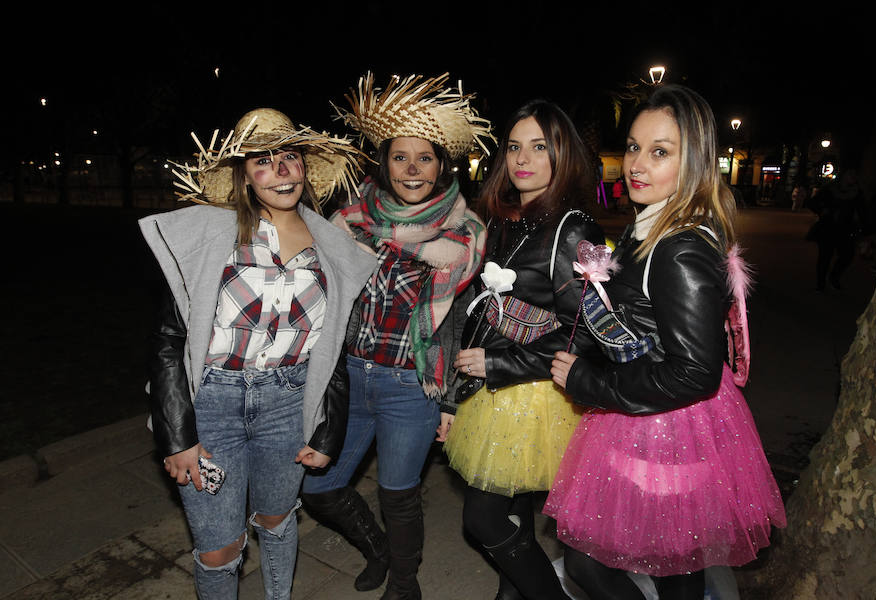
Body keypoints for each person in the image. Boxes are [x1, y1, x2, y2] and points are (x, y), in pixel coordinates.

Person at [543, 85, 786, 600]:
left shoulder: (678, 248)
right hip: (650, 415)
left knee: (601, 564)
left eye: (660, 152)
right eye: (633, 147)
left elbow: (693, 372)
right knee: (675, 562)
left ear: (693, 161)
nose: (637, 164)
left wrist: (589, 380)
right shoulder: (650, 227)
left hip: (667, 426)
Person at [140, 108, 378, 600]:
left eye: (289, 157)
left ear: (305, 167)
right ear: (244, 176)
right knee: (218, 550)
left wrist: (328, 428)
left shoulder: (333, 247)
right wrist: (176, 433)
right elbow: (169, 342)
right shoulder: (207, 236)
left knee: (276, 520)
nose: (281, 171)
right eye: (263, 162)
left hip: (289, 403)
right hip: (211, 406)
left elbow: (332, 348)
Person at [298, 73, 491, 600]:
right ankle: (378, 551)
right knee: (320, 487)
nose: (412, 169)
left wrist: (452, 400)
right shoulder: (349, 224)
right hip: (351, 380)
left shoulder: (465, 234)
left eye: (424, 158)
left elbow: (464, 320)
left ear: (441, 165)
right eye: (400, 157)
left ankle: (405, 583)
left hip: (412, 387)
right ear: (384, 162)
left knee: (398, 495)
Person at [442, 100, 605, 600]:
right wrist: (456, 394)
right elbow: (485, 309)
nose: (522, 159)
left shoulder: (576, 229)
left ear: (563, 155)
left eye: (539, 147)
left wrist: (498, 364)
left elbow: (586, 332)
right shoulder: (510, 217)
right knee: (515, 512)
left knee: (484, 518)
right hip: (496, 388)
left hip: (540, 392)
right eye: (514, 147)